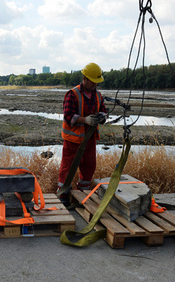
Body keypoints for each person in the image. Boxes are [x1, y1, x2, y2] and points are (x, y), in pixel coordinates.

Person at [57, 62, 107, 206]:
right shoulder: (72, 94)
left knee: (89, 166)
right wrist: (85, 119)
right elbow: (68, 116)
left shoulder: (98, 95)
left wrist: (102, 116)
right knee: (68, 167)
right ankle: (63, 194)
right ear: (85, 79)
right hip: (73, 139)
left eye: (97, 82)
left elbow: (103, 110)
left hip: (90, 138)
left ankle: (83, 193)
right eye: (93, 82)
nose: (95, 85)